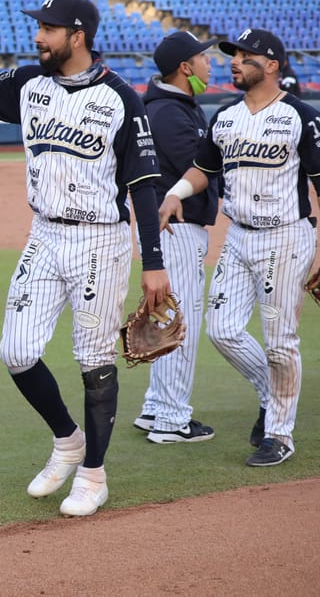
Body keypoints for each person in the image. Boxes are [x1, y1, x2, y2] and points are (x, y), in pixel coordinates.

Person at [0, 0, 170, 517]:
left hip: (99, 237)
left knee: (94, 359)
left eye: (47, 29)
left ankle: (94, 475)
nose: (37, 37)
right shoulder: (30, 84)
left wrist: (153, 264)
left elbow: (143, 185)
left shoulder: (121, 97)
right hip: (44, 235)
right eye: (39, 27)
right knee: (16, 351)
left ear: (78, 36)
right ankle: (67, 440)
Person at [158, 28, 320, 467]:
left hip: (285, 237)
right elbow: (201, 169)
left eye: (246, 56)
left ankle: (280, 436)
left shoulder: (300, 117)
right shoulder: (225, 117)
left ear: (271, 66)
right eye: (233, 55)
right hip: (239, 235)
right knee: (221, 329)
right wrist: (175, 193)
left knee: (280, 343)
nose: (234, 61)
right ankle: (271, 393)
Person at [132, 31, 221, 444]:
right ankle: (171, 419)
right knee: (179, 323)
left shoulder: (171, 106)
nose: (210, 63)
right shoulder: (169, 112)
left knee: (168, 318)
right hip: (177, 230)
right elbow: (198, 171)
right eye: (203, 57)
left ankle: (155, 408)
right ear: (185, 67)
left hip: (171, 231)